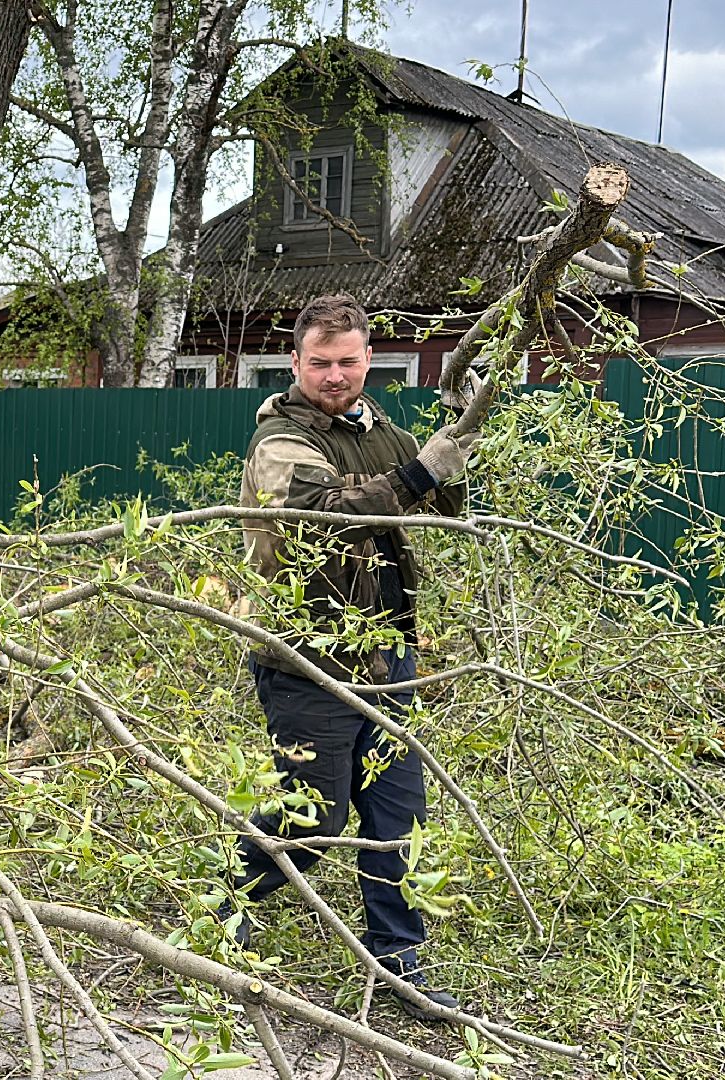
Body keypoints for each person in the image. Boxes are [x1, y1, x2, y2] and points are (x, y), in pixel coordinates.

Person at [225, 293, 480, 1018]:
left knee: (398, 816)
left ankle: (400, 962)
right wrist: (421, 472)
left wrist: (457, 441)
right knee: (315, 817)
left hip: (389, 650)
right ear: (297, 362)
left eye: (347, 362)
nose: (334, 376)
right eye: (319, 363)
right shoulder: (278, 439)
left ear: (368, 359)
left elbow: (444, 507)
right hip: (307, 657)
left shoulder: (381, 431)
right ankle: (222, 891)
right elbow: (334, 512)